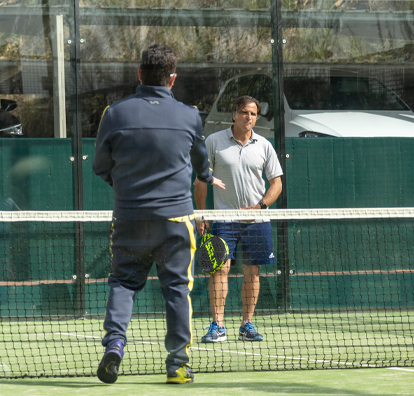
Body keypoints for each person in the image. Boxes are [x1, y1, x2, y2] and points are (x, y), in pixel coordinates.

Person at [91, 43, 225, 385]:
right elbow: (200, 164)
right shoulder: (190, 115)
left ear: (139, 74)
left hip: (129, 218)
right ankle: (178, 365)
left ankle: (115, 345)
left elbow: (101, 166)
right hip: (177, 222)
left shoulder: (114, 114)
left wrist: (127, 190)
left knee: (123, 282)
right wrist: (208, 177)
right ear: (172, 79)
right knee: (177, 290)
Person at [193, 95, 282, 344]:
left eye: (253, 113)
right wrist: (202, 215)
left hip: (256, 221)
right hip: (224, 218)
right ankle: (218, 326)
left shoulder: (264, 145)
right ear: (234, 115)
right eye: (244, 112)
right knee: (220, 270)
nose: (249, 117)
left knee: (253, 272)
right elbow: (200, 181)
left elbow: (277, 182)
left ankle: (247, 325)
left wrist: (261, 206)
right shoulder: (214, 142)